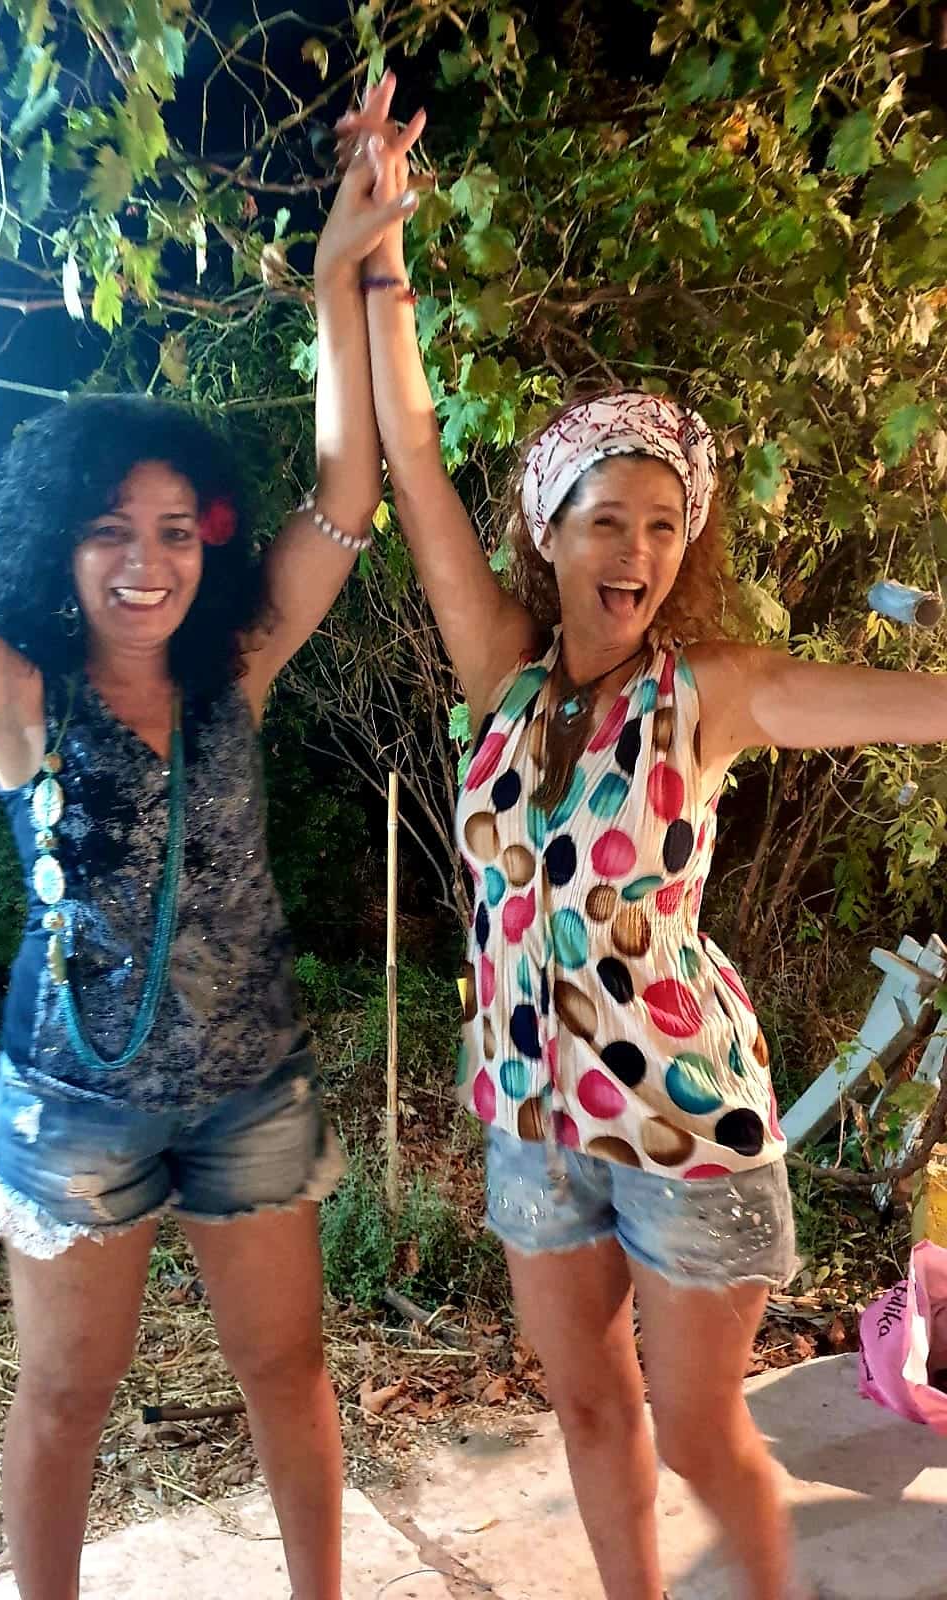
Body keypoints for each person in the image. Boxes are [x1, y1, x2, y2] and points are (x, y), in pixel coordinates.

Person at [0, 143, 418, 1600]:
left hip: (251, 1091)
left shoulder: (239, 668)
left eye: (174, 531)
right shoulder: (16, 698)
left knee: (287, 1370)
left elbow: (345, 497)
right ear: (59, 542)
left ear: (207, 543)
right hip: (73, 1111)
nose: (144, 562)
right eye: (109, 531)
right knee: (62, 1402)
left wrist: (338, 281)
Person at [333, 75, 947, 1600]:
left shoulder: (707, 695)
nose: (641, 552)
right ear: (549, 531)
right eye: (609, 519)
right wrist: (379, 251)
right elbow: (413, 455)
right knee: (593, 1411)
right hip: (532, 1122)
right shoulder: (503, 675)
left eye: (666, 526)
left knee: (700, 1440)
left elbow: (896, 703)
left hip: (686, 1124)